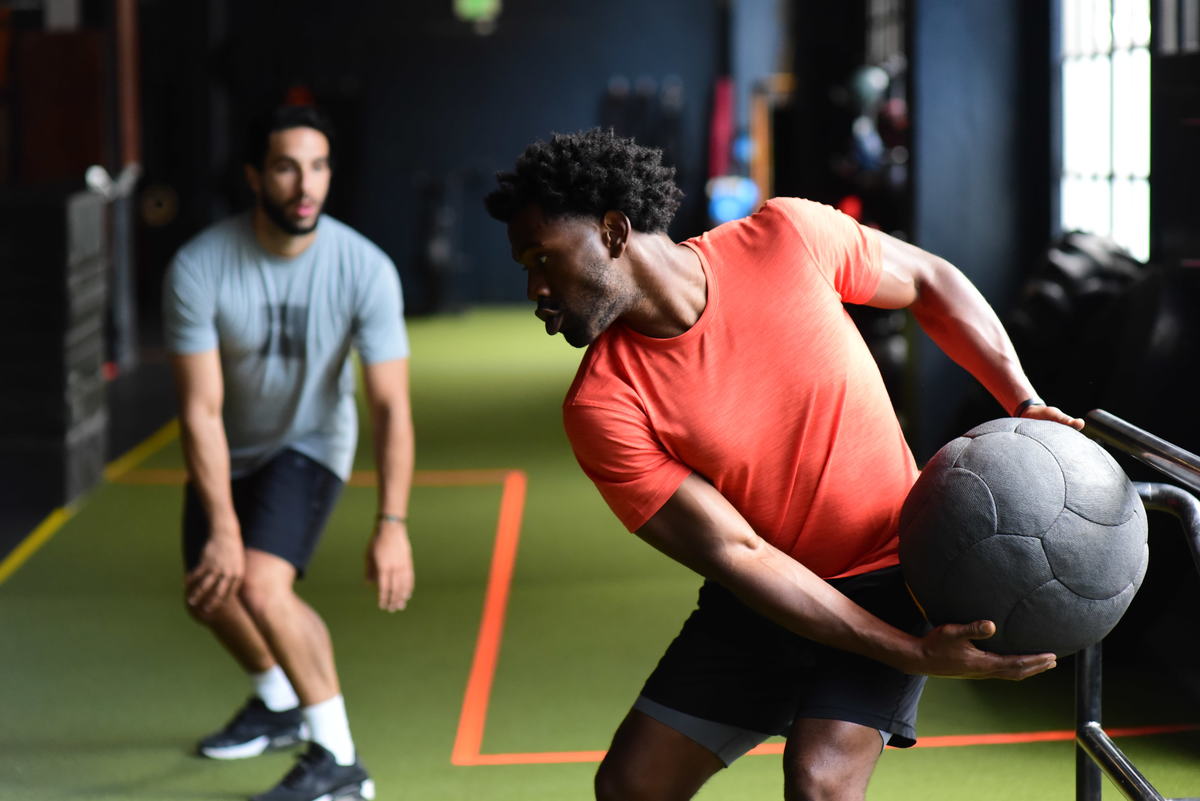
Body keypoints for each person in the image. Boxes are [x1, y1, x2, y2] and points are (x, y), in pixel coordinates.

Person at [484, 128, 1083, 801]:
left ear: (615, 231)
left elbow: (928, 279)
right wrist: (911, 654)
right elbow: (738, 553)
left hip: (894, 572)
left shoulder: (786, 237)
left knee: (820, 782)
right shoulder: (602, 403)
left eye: (544, 257)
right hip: (767, 595)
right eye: (526, 267)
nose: (535, 286)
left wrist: (1023, 400)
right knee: (631, 786)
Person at [163, 104, 414, 801]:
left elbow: (391, 406)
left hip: (311, 439)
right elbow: (200, 408)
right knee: (211, 593)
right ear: (254, 175)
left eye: (319, 165)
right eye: (285, 165)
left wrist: (391, 523)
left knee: (261, 585)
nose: (305, 183)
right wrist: (220, 525)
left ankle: (339, 762)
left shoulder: (365, 268)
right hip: (229, 443)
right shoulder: (198, 267)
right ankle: (277, 701)